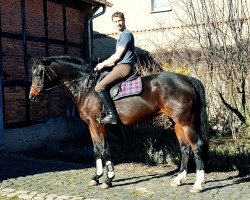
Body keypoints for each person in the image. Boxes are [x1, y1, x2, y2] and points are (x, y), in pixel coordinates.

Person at [94, 11, 135, 125]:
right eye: (115, 22)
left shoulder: (125, 35)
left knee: (99, 87)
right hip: (121, 65)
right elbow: (120, 56)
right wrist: (109, 64)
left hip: (123, 67)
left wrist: (103, 63)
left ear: (124, 20)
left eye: (120, 21)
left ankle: (112, 115)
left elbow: (117, 56)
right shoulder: (122, 35)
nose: (118, 23)